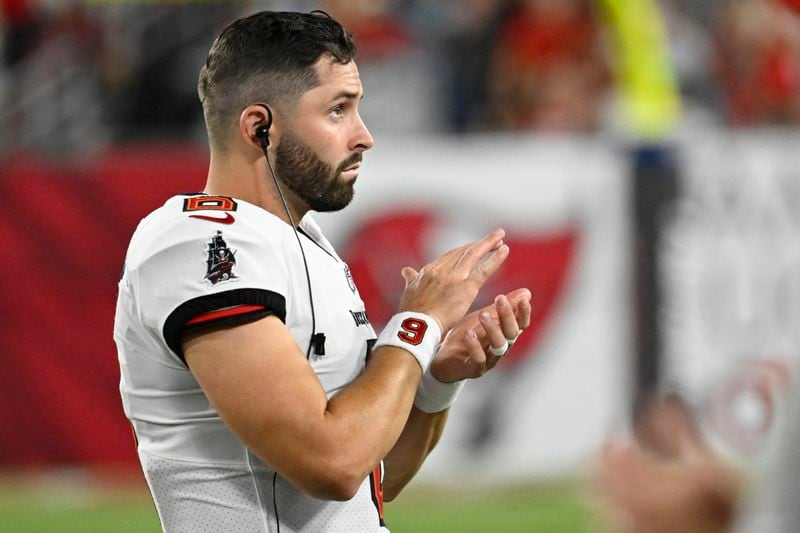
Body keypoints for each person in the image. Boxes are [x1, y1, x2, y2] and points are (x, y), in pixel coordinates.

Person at [113, 10, 532, 532]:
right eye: (338, 110)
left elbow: (370, 480)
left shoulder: (305, 242)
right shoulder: (201, 241)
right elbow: (331, 464)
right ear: (259, 127)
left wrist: (436, 376)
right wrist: (417, 324)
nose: (364, 136)